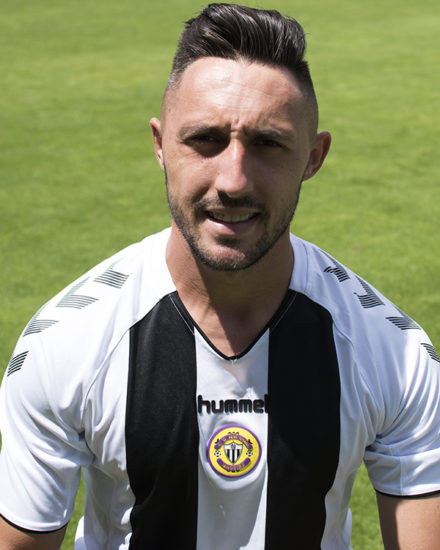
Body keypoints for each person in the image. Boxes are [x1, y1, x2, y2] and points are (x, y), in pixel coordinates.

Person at [1, 3, 439, 549]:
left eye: (268, 143)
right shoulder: (67, 344)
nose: (233, 180)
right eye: (205, 139)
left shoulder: (393, 352)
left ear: (313, 156)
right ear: (160, 146)